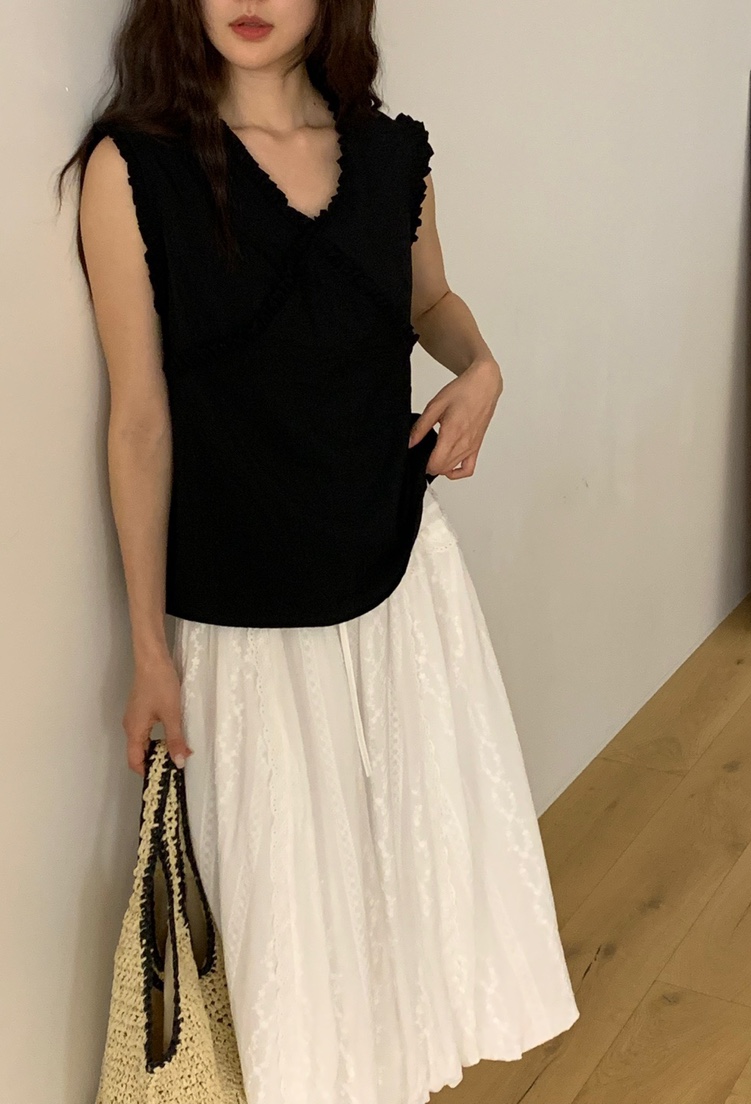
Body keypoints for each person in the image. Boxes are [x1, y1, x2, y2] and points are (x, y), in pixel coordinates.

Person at [58, 0, 580, 1100]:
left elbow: (430, 298)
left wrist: (483, 366)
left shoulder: (392, 155)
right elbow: (139, 421)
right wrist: (148, 649)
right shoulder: (134, 169)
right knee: (296, 957)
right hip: (245, 629)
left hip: (399, 591)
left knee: (405, 920)